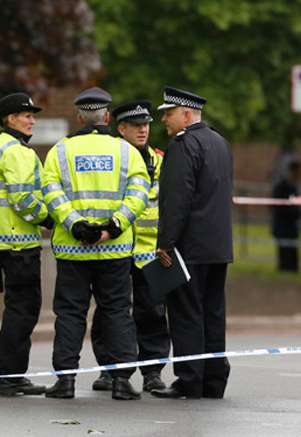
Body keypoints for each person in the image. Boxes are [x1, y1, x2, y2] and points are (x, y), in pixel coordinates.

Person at [42, 87, 150, 400]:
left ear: (79, 117)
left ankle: (65, 382)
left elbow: (50, 191)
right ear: (106, 117)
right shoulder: (126, 151)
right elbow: (140, 193)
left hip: (72, 249)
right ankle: (121, 381)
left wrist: (74, 224)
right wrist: (114, 226)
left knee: (70, 315)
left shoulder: (60, 151)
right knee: (117, 311)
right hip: (114, 249)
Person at [151, 86, 233, 399]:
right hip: (218, 246)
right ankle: (214, 381)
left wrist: (166, 242)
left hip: (189, 246)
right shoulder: (220, 142)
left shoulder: (183, 144)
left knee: (186, 314)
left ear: (186, 115)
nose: (164, 122)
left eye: (168, 114)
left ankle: (189, 380)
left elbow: (177, 198)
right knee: (213, 313)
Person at [90, 100, 169, 393]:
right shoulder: (110, 160)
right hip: (116, 249)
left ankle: (152, 372)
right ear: (120, 128)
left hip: (153, 251)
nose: (143, 130)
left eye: (146, 124)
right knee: (109, 311)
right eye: (136, 125)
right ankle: (109, 370)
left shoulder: (161, 161)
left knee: (154, 312)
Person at [0, 93, 53, 395]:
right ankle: (9, 374)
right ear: (11, 118)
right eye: (27, 115)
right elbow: (23, 198)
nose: (32, 120)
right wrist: (49, 218)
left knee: (16, 307)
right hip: (18, 239)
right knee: (24, 308)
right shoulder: (17, 152)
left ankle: (0, 369)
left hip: (3, 238)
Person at [271, 158, 301, 272]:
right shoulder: (281, 187)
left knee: (292, 251)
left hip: (292, 226)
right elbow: (276, 206)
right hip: (283, 226)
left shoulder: (294, 187)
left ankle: (292, 269)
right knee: (284, 252)